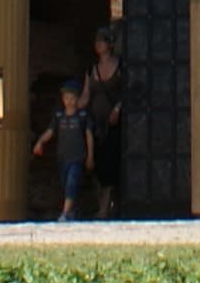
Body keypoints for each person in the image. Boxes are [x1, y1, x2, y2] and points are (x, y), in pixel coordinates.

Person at [79, 25, 128, 219]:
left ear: (110, 44)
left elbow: (127, 90)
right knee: (97, 164)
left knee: (111, 163)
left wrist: (118, 108)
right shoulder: (92, 69)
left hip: (114, 123)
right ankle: (104, 206)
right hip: (96, 123)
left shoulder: (120, 66)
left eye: (103, 41)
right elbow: (85, 95)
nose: (99, 45)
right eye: (97, 42)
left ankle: (107, 207)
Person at [32, 72, 91, 221]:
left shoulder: (82, 116)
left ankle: (64, 214)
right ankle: (73, 211)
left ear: (78, 99)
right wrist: (40, 141)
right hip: (63, 156)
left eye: (72, 98)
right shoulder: (59, 116)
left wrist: (90, 156)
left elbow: (89, 136)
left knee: (72, 181)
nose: (69, 101)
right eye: (66, 98)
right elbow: (50, 131)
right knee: (67, 185)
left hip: (77, 156)